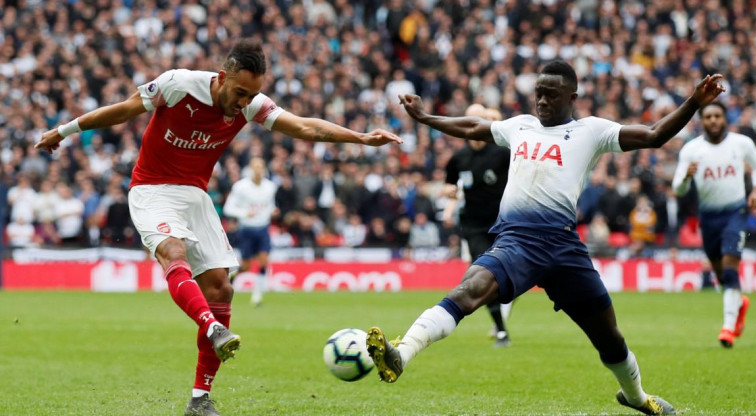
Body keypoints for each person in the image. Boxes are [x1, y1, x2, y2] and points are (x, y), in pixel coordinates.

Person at [35, 39, 402, 416]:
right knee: (172, 252)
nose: (244, 102)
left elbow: (306, 127)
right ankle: (213, 328)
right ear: (222, 77)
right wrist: (63, 131)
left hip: (196, 197)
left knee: (221, 287)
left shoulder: (252, 105)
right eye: (240, 92)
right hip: (152, 190)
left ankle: (199, 399)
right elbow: (125, 110)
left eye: (252, 94)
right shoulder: (179, 84)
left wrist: (360, 138)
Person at [365, 60, 724, 416]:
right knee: (468, 290)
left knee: (608, 338)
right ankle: (402, 352)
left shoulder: (592, 131)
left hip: (565, 247)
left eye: (551, 95)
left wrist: (693, 102)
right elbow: (474, 125)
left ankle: (636, 397)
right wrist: (426, 118)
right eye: (538, 93)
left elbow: (653, 135)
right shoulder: (520, 127)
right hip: (517, 241)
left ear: (572, 97)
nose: (541, 101)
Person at [671, 101, 756, 348]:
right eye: (708, 116)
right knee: (721, 273)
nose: (713, 120)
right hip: (708, 217)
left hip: (735, 212)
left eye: (717, 116)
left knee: (731, 265)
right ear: (702, 121)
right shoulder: (691, 150)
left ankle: (727, 326)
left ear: (725, 119)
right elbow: (677, 188)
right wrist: (686, 177)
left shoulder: (740, 143)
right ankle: (740, 303)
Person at [444, 103, 513, 347]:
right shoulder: (458, 158)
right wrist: (449, 191)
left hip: (503, 224)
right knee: (481, 276)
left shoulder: (502, 153)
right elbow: (449, 184)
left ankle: (503, 311)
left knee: (505, 276)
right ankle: (501, 329)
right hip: (473, 225)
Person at [223, 157, 276, 307]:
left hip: (263, 227)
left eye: (261, 166)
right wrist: (245, 214)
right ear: (250, 169)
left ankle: (257, 296)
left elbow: (269, 205)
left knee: (264, 260)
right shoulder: (241, 187)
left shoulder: (270, 187)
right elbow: (228, 208)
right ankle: (234, 275)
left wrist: (273, 211)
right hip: (246, 228)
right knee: (245, 265)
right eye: (255, 166)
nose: (258, 169)